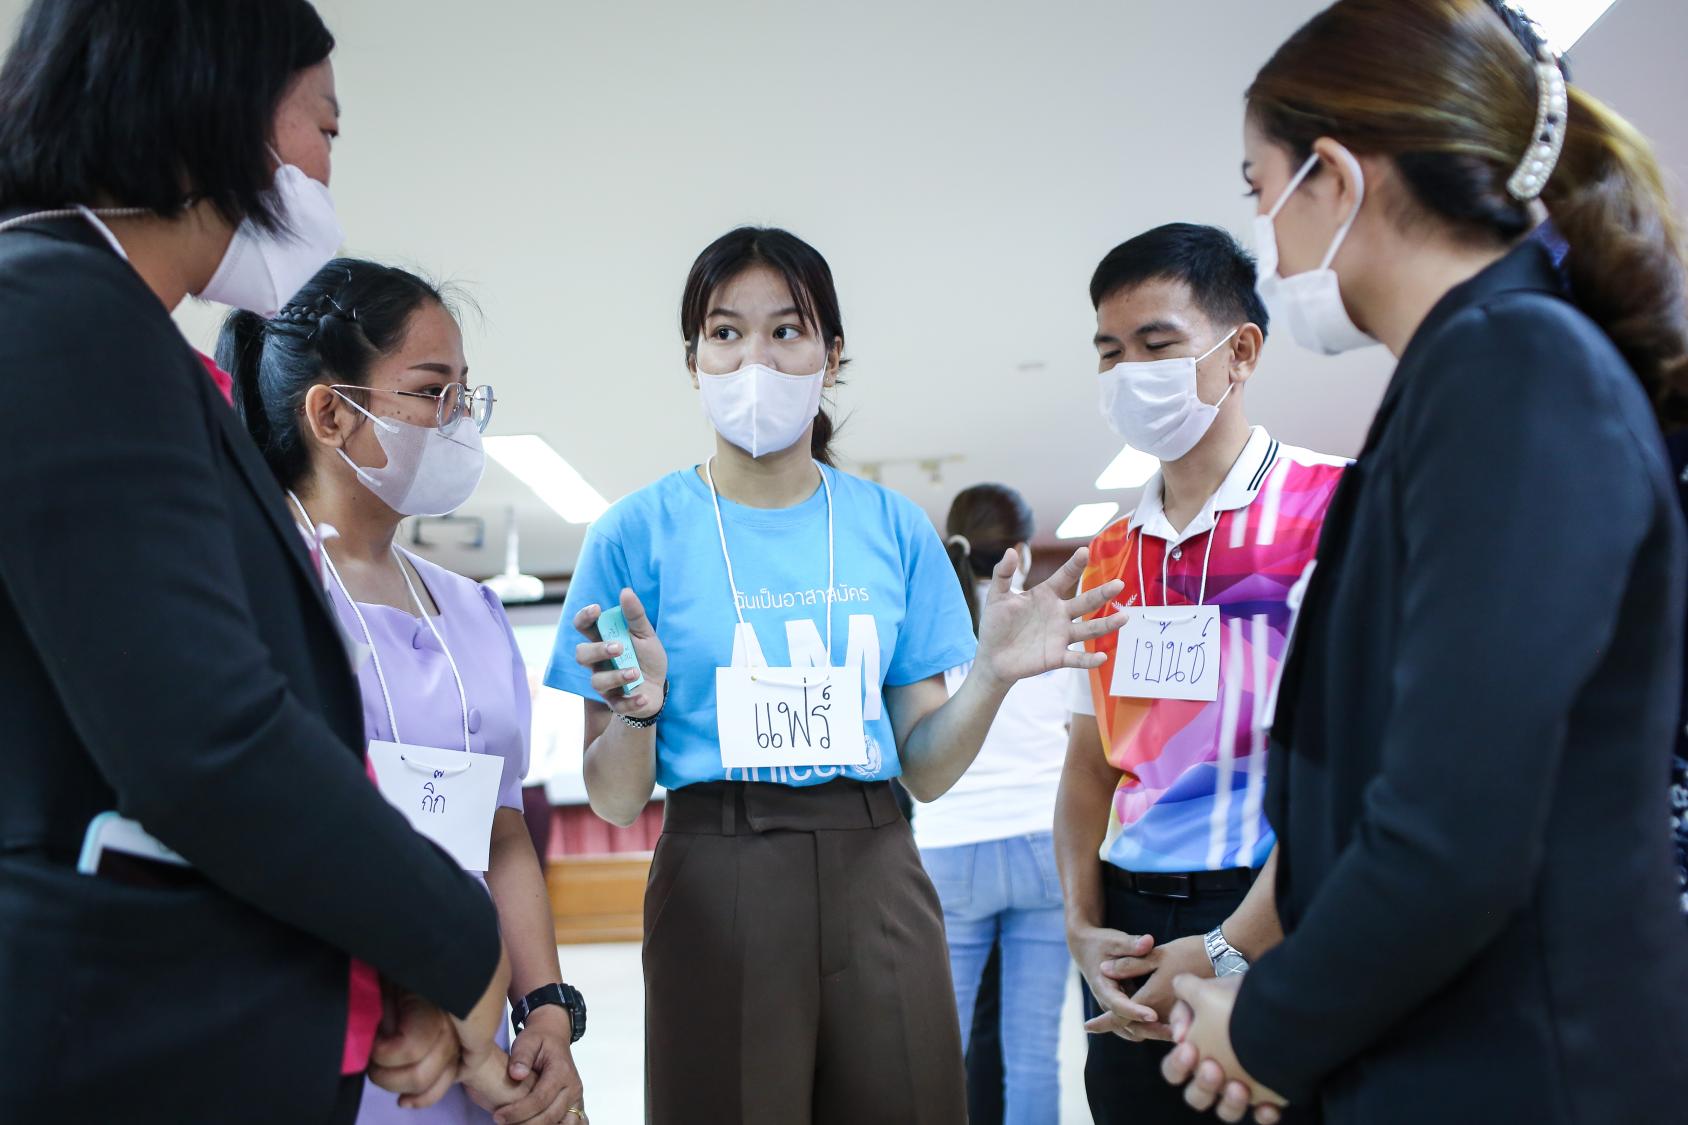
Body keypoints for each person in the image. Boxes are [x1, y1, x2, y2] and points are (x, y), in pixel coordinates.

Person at [1158, 2, 1688, 1121]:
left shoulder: (1513, 370)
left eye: (1262, 194)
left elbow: (1454, 832)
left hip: (1527, 1070)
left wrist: (1261, 1026)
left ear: (1335, 179)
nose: (1267, 242)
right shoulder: (1466, 373)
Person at [0, 3, 514, 1122]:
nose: (328, 170)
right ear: (218, 106)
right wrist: (455, 945)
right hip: (115, 1044)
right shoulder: (63, 313)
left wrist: (384, 971)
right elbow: (207, 740)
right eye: (324, 128)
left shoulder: (117, 331)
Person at [544, 226, 1125, 1124]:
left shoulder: (893, 528)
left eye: (786, 331)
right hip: (717, 865)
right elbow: (617, 799)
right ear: (692, 358)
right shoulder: (634, 534)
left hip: (876, 862)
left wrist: (994, 675)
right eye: (726, 332)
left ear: (831, 353)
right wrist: (640, 711)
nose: (755, 359)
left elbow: (924, 764)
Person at [220, 259, 590, 1125]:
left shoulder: (473, 611)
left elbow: (501, 835)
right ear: (331, 412)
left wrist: (544, 1011)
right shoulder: (261, 590)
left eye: (467, 393)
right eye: (432, 392)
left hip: (479, 1033)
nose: (459, 420)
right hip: (346, 1031)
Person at [1054, 222, 1344, 1124]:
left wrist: (1226, 947)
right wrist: (1080, 923)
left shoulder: (1337, 508)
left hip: (1278, 905)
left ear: (1240, 350)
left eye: (1156, 343)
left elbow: (1361, 774)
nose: (1128, 372)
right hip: (1131, 915)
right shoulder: (1107, 555)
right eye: (1109, 351)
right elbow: (1091, 763)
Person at [915, 484, 1083, 1125]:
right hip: (1044, 842)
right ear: (1021, 547)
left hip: (950, 849)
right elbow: (1074, 737)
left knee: (938, 1049)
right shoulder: (1047, 615)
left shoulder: (931, 620)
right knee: (1035, 1054)